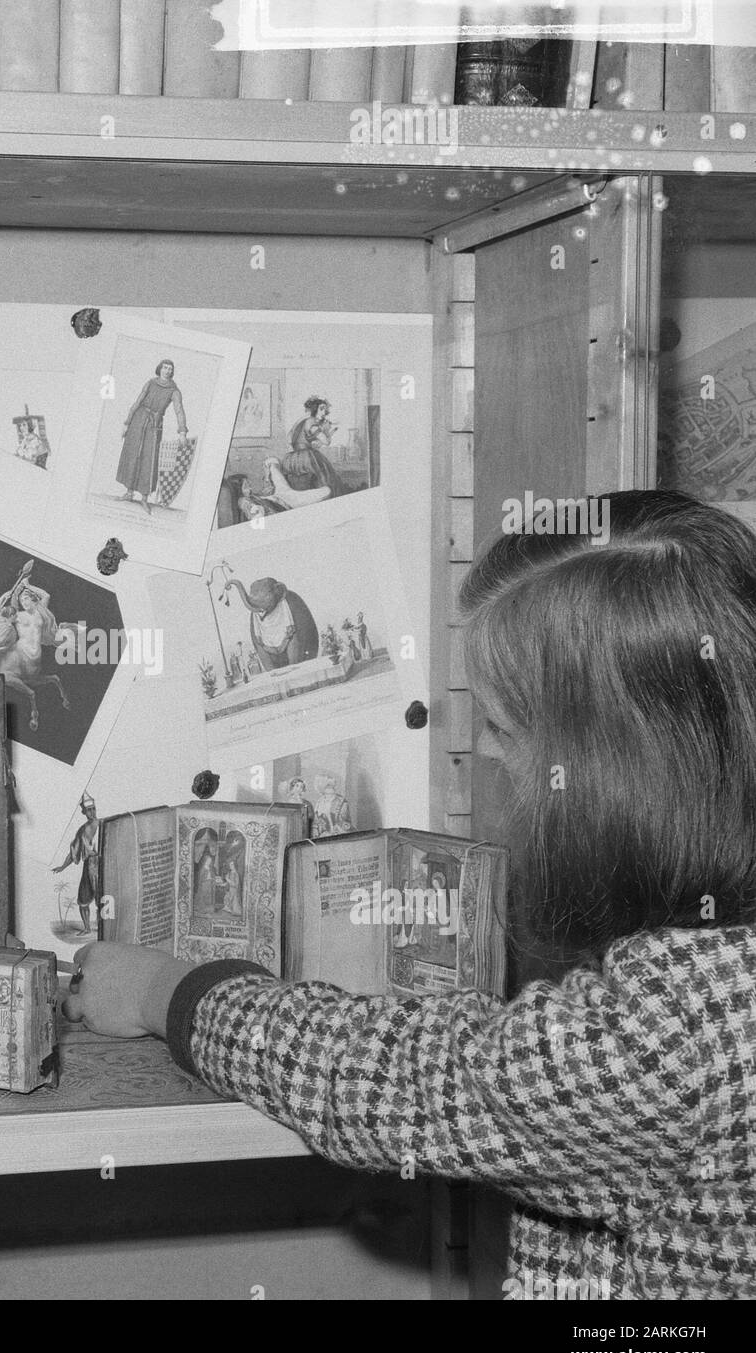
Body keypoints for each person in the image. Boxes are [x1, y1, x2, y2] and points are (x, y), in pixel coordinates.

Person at [63, 490, 756, 1298]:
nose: (492, 759)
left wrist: (163, 990)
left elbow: (416, 1080)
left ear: (608, 776)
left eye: (502, 729)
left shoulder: (675, 1039)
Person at [117, 360, 187, 514]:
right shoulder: (150, 383)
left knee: (149, 459)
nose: (167, 370)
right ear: (160, 369)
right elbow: (138, 402)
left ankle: (144, 498)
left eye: (170, 368)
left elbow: (179, 410)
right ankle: (129, 492)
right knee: (133, 455)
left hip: (154, 425)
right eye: (165, 367)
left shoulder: (174, 391)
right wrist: (127, 423)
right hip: (138, 420)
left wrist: (182, 432)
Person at [53, 793, 101, 934]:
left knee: (102, 897)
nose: (92, 812)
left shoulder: (104, 825)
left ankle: (102, 928)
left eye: (93, 809)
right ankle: (87, 928)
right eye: (89, 810)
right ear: (84, 812)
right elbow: (74, 850)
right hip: (89, 866)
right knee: (83, 899)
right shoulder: (82, 830)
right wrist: (62, 866)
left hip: (101, 864)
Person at [281, 396, 345, 494]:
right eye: (321, 409)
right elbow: (326, 442)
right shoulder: (311, 421)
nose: (324, 412)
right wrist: (327, 430)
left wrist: (326, 430)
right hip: (306, 459)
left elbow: (293, 440)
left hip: (292, 458)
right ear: (315, 409)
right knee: (326, 482)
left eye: (325, 409)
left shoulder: (302, 421)